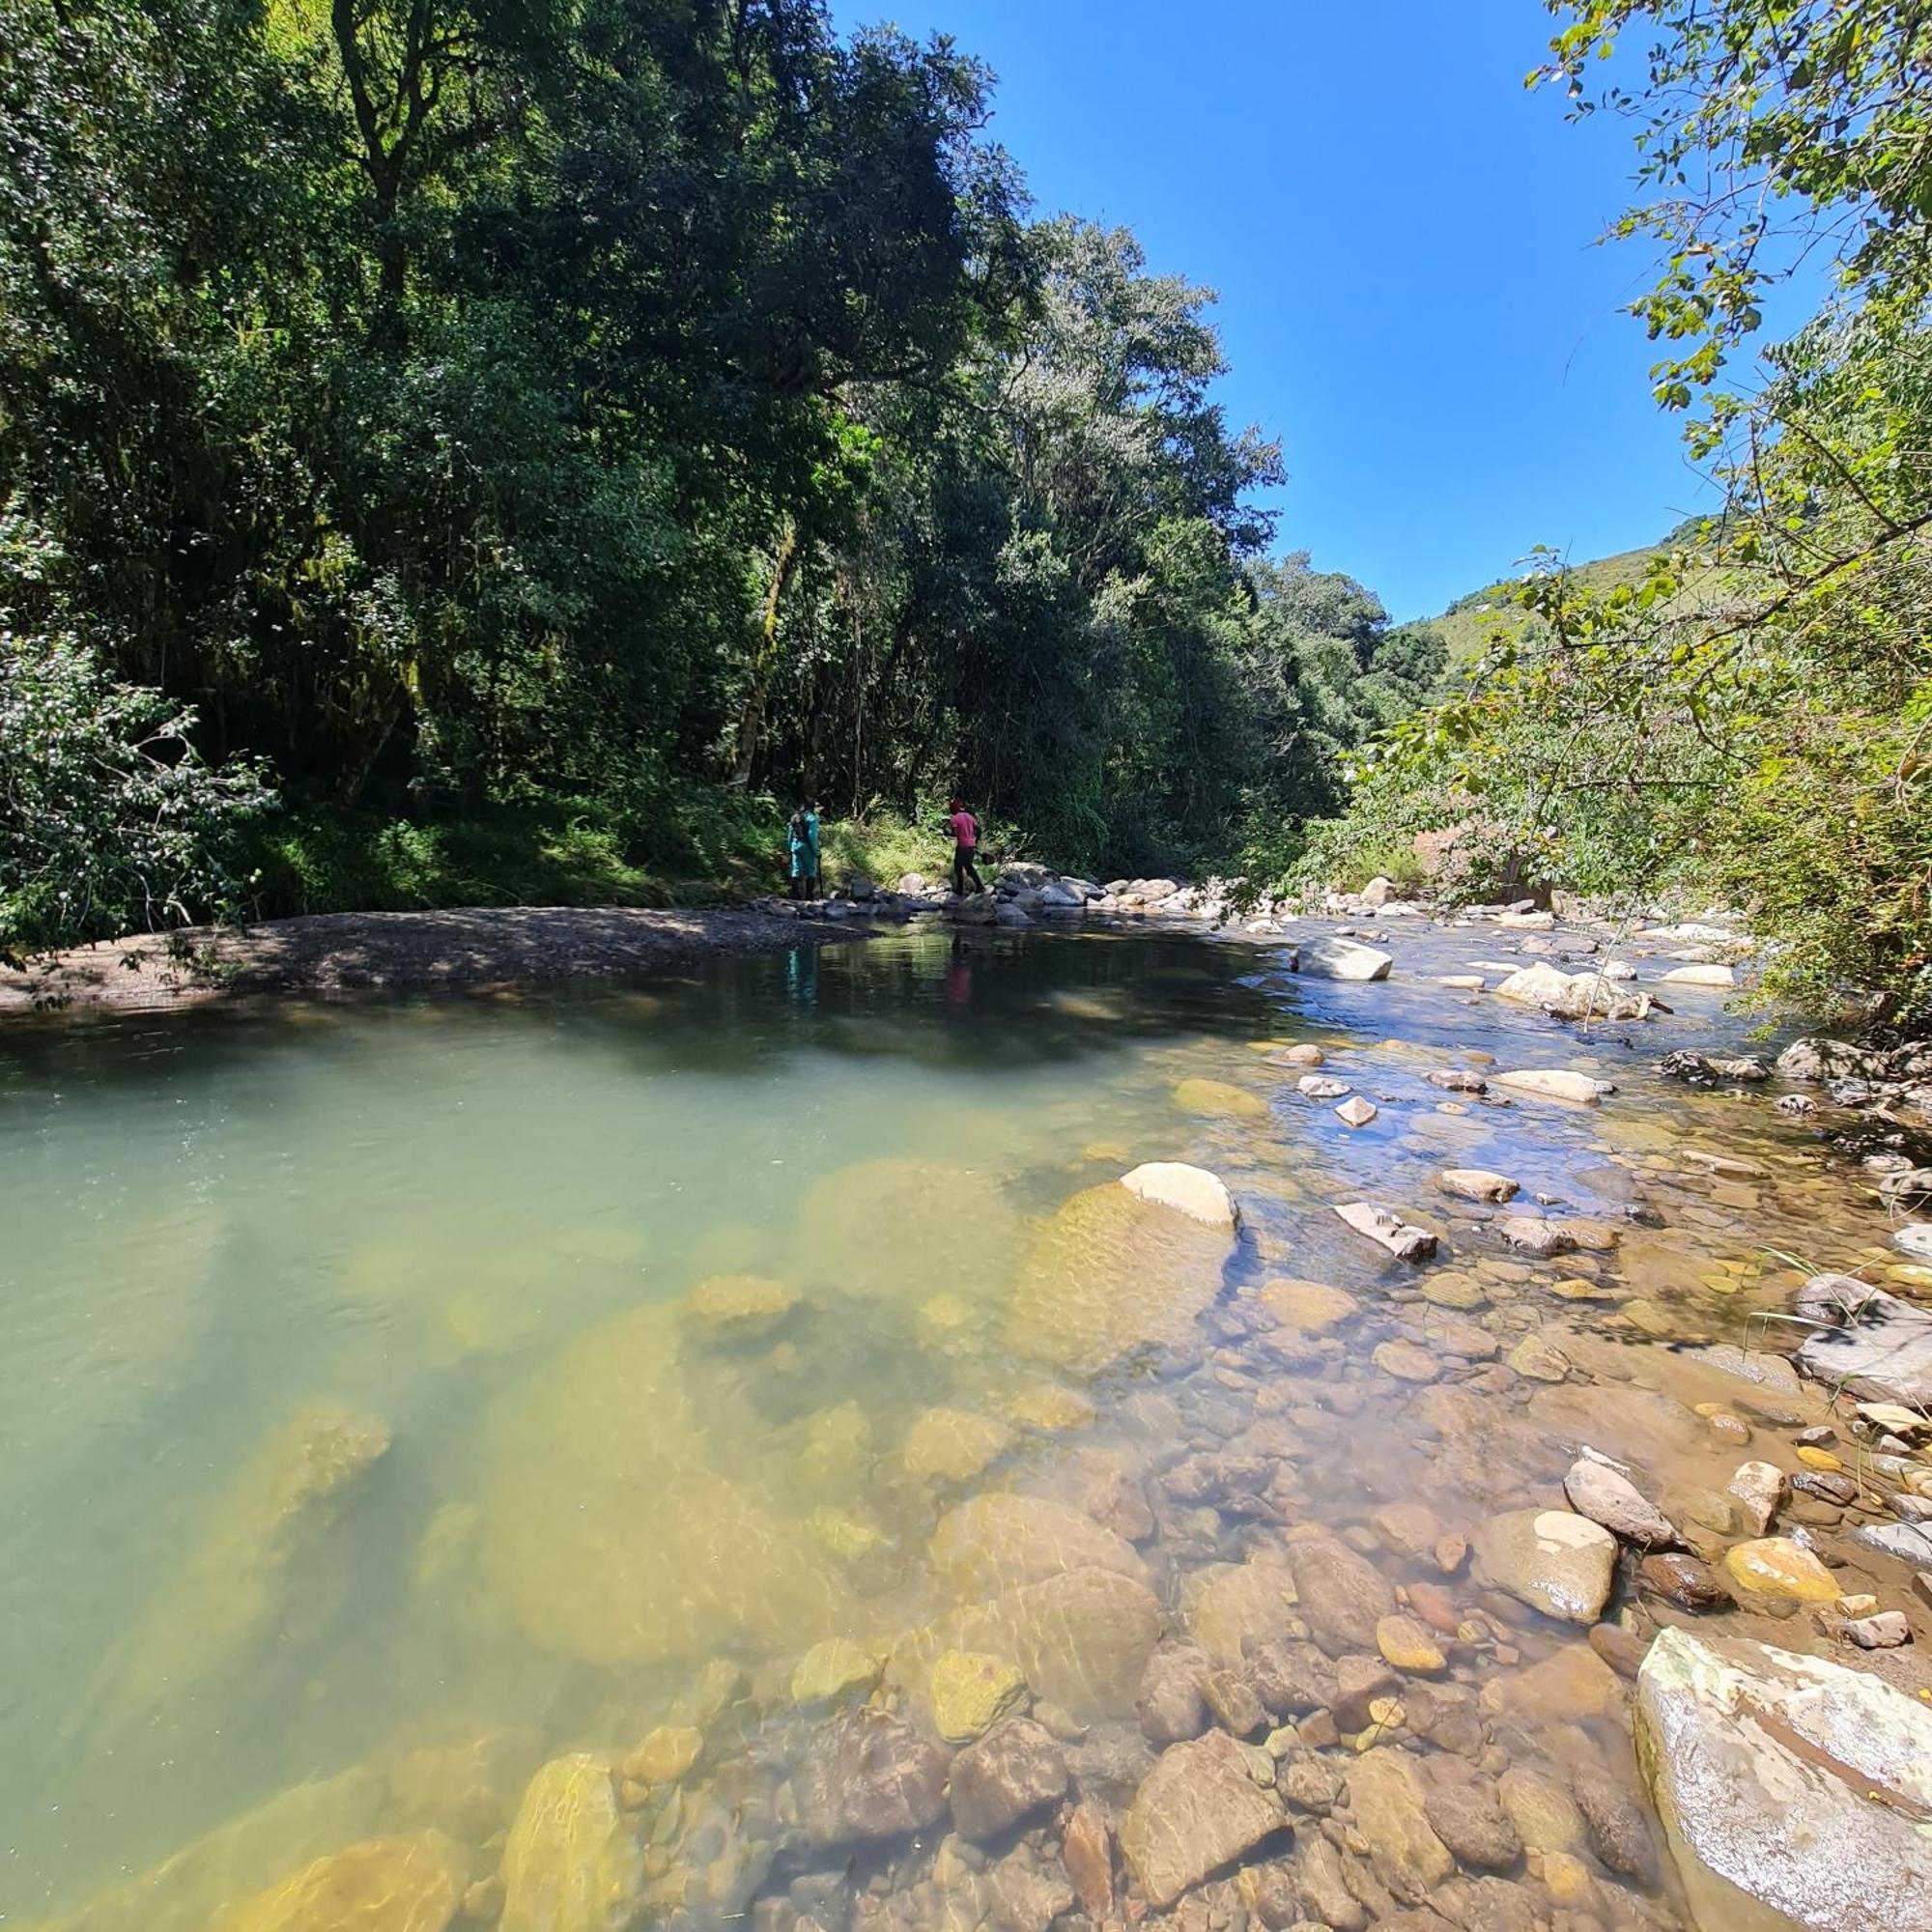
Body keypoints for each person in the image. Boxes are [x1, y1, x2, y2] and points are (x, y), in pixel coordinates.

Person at [944, 795, 985, 897]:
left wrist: (946, 832)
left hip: (962, 845)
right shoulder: (970, 816)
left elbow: (955, 833)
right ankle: (977, 886)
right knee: (968, 866)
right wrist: (975, 841)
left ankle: (962, 888)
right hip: (971, 845)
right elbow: (978, 830)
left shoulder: (954, 819)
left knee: (959, 866)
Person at [787, 798, 820, 899]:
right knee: (811, 870)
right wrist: (816, 851)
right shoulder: (811, 818)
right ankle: (809, 895)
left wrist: (789, 847)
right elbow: (812, 836)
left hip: (795, 845)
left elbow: (790, 834)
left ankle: (795, 894)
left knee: (796, 869)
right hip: (807, 847)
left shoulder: (795, 817)